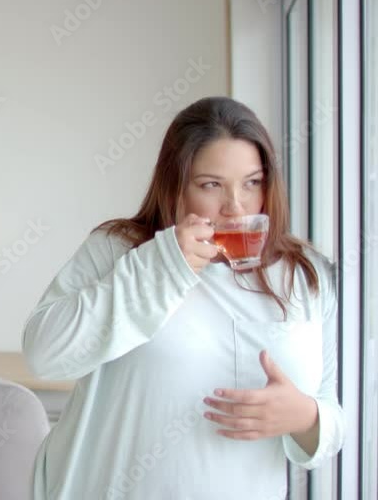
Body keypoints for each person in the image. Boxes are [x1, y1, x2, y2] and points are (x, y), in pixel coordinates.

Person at [22, 97, 345, 499]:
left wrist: (305, 417)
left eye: (252, 182)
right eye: (211, 185)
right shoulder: (119, 249)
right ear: (176, 185)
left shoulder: (307, 274)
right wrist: (163, 267)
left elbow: (331, 419)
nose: (235, 207)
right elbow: (44, 355)